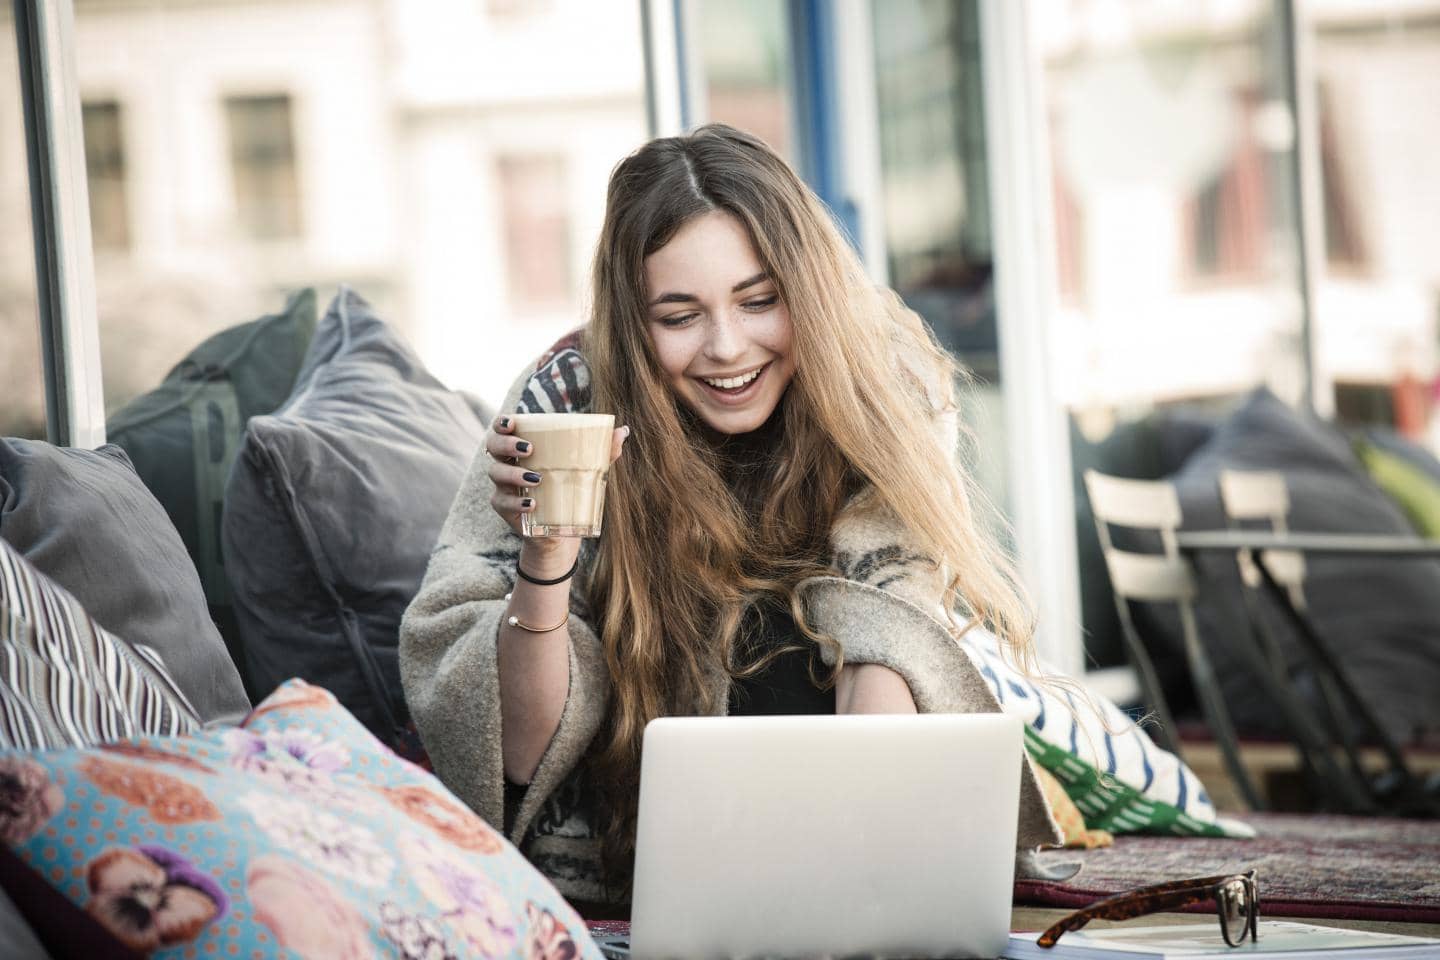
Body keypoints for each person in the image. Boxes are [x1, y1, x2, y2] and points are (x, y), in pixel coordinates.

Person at [399, 123, 1062, 908]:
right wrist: (546, 557)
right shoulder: (565, 401)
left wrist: (866, 881)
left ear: (805, 290)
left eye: (759, 301)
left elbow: (890, 636)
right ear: (632, 322)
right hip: (626, 860)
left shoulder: (884, 380)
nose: (726, 347)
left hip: (848, 828)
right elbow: (514, 754)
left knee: (885, 642)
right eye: (678, 317)